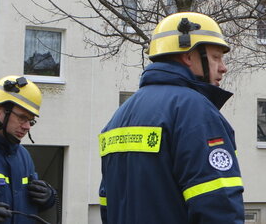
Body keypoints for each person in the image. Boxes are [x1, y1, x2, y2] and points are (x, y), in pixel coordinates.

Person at [98, 12, 244, 223]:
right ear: (188, 56)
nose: (223, 67)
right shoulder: (195, 111)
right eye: (215, 57)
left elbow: (107, 203)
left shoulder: (120, 115)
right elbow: (217, 204)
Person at [0, 76, 56, 224]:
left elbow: (30, 204)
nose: (27, 126)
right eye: (22, 118)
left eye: (31, 120)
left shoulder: (23, 156)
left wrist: (49, 197)